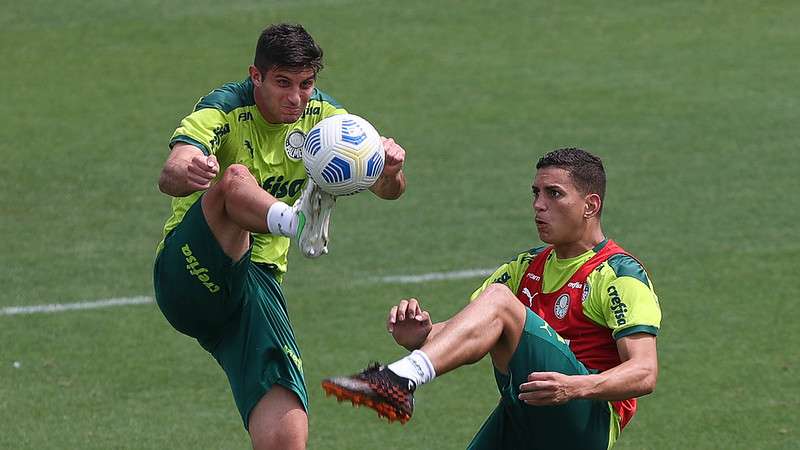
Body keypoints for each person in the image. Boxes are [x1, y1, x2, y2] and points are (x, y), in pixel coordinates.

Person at [153, 23, 406, 449]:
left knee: (287, 432)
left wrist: (390, 170)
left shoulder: (326, 119)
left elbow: (387, 190)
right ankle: (296, 221)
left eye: (306, 84)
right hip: (189, 271)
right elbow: (172, 172)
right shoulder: (223, 109)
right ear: (257, 76)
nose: (296, 96)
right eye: (283, 83)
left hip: (256, 289)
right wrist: (190, 168)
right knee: (234, 180)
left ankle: (296, 220)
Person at [322, 147, 660, 449]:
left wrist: (576, 388)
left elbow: (644, 372)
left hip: (585, 419)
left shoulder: (618, 273)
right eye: (536, 193)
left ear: (591, 205)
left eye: (554, 194)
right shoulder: (525, 267)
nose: (539, 205)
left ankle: (398, 380)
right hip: (522, 410)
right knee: (497, 304)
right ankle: (404, 375)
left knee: (499, 300)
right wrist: (421, 337)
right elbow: (475, 330)